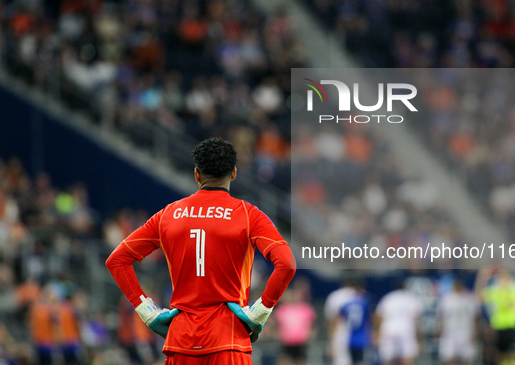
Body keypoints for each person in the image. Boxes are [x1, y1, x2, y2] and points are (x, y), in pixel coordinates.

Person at [106, 138, 296, 364]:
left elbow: (116, 260)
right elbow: (287, 263)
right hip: (229, 340)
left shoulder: (168, 214)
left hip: (180, 342)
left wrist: (147, 311)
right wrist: (261, 310)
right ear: (233, 173)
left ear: (197, 174)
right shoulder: (248, 215)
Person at [475, 269, 515, 365]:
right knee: (499, 354)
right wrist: (483, 278)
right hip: (498, 326)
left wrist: (510, 302)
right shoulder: (496, 291)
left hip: (512, 325)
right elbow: (480, 296)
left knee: (513, 352)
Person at [375, 280, 422, 365]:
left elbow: (379, 316)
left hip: (389, 329)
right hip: (406, 329)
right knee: (408, 358)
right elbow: (416, 318)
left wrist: (378, 332)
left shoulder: (388, 297)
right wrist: (419, 336)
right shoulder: (411, 298)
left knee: (389, 359)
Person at [437, 279, 480, 365]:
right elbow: (441, 316)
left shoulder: (470, 298)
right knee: (447, 356)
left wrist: (475, 332)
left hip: (466, 331)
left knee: (467, 357)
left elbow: (476, 317)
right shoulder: (447, 298)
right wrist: (440, 329)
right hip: (450, 331)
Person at [274, 287, 316, 364]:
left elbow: (312, 325)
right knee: (285, 360)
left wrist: (309, 335)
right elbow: (276, 325)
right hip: (286, 342)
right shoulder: (282, 309)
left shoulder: (306, 308)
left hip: (301, 342)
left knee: (300, 360)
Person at [325, 278, 358, 365]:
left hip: (342, 334)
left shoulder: (335, 296)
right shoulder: (361, 294)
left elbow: (333, 320)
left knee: (342, 361)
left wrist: (331, 340)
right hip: (359, 334)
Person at [340, 281, 372, 365]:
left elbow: (341, 318)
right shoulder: (364, 303)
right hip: (362, 337)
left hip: (350, 337)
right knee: (361, 360)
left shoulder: (346, 304)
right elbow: (369, 319)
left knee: (352, 361)